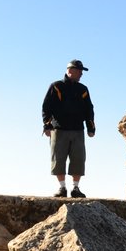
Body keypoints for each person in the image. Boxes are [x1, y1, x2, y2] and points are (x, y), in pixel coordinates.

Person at [42, 59, 95, 197]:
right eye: (79, 71)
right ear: (70, 70)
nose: (81, 74)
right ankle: (62, 188)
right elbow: (46, 107)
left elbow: (89, 109)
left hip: (78, 129)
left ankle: (76, 189)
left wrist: (91, 127)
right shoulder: (56, 86)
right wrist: (46, 125)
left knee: (78, 159)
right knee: (58, 159)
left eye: (82, 71)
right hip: (58, 129)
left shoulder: (83, 89)